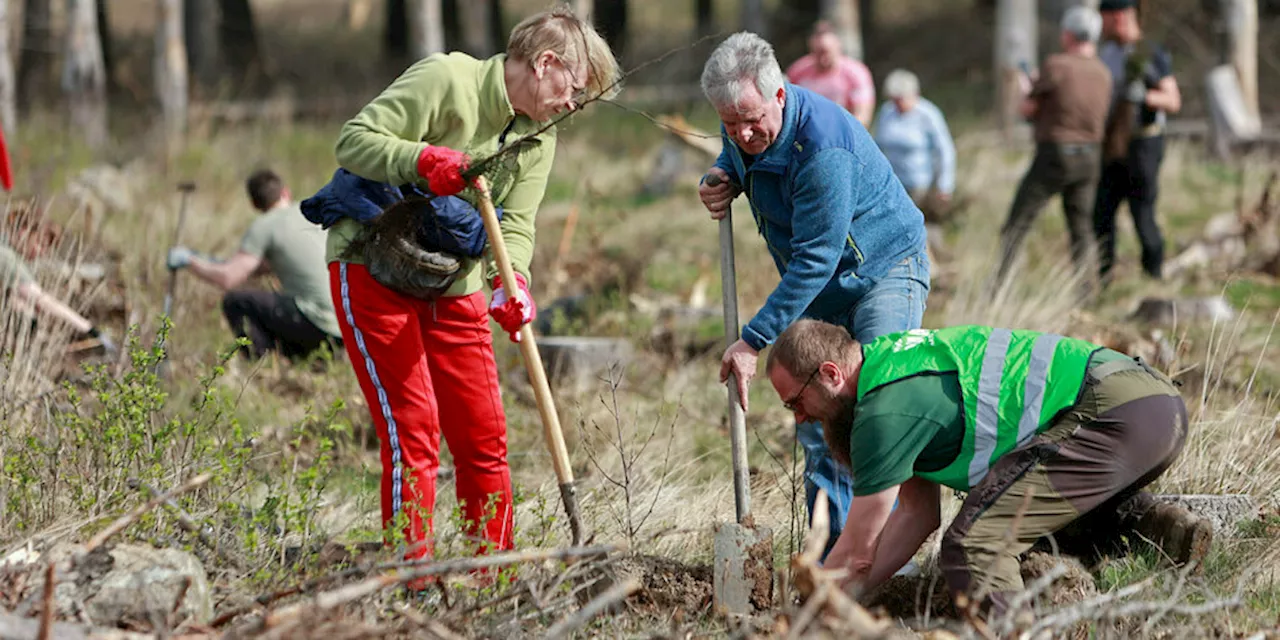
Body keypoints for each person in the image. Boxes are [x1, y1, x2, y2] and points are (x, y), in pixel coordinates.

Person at [309, 6, 619, 573]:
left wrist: (513, 283)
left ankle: (494, 580)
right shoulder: (446, 79)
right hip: (372, 266)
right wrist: (424, 159)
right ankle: (416, 579)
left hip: (455, 282)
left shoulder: (538, 137)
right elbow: (352, 143)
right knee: (415, 430)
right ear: (545, 63)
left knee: (483, 433)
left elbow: (517, 226)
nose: (571, 106)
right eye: (573, 90)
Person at [766, 319, 1214, 614]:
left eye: (796, 401)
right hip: (1150, 408)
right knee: (1018, 513)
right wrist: (850, 600)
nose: (799, 417)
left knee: (975, 543)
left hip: (1117, 411)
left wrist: (805, 615)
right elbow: (917, 516)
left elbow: (859, 551)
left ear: (830, 373)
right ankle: (1153, 526)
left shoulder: (883, 414)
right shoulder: (890, 370)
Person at [698, 32, 930, 557]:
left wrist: (753, 340)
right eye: (730, 123)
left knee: (877, 404)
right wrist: (723, 169)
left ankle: (887, 564)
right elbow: (736, 149)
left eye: (751, 119)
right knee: (820, 411)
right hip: (824, 287)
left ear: (780, 94)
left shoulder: (823, 148)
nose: (743, 131)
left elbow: (815, 260)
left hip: (883, 270)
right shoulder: (741, 120)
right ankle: (830, 560)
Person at [167, 170, 342, 361]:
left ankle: (260, 364)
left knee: (236, 301)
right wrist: (213, 262)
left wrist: (188, 261)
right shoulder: (310, 212)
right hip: (345, 324)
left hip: (317, 322)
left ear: (254, 204)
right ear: (286, 192)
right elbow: (262, 268)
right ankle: (316, 360)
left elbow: (228, 278)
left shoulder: (264, 226)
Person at [995, 7, 1111, 292]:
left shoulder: (1056, 65)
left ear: (1068, 34)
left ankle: (1000, 286)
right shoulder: (1103, 72)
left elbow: (1028, 108)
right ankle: (1086, 291)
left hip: (1056, 153)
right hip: (1091, 156)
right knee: (1081, 228)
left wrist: (1026, 88)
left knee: (1018, 223)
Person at [1094, 0, 1181, 284]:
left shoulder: (1149, 53)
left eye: (1105, 19)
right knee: (1102, 213)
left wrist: (1142, 96)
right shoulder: (1106, 53)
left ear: (1119, 17)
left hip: (1143, 145)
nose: (1101, 25)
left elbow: (1172, 100)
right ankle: (1104, 277)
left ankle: (1153, 277)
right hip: (1112, 146)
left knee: (1142, 214)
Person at [1, 214, 116, 354]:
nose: (40, 252)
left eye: (45, 249)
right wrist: (89, 329)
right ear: (24, 231)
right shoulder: (7, 258)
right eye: (40, 244)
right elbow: (41, 300)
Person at [872, 69, 957, 218]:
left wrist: (945, 185)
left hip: (920, 185)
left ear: (914, 94)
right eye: (894, 99)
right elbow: (877, 145)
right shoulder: (886, 112)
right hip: (893, 183)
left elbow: (945, 150)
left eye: (901, 99)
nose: (897, 104)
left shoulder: (928, 114)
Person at [784, 21, 876, 128]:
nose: (823, 58)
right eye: (818, 52)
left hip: (845, 131)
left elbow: (863, 116)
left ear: (838, 46)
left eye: (826, 52)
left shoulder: (856, 73)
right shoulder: (797, 72)